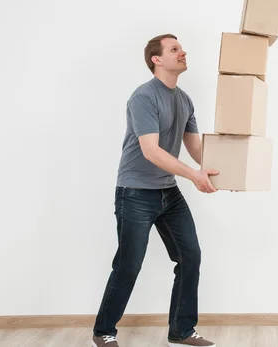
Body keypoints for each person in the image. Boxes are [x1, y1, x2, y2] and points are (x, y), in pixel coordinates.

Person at [91, 34, 219, 347]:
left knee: (190, 257)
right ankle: (103, 330)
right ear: (157, 60)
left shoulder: (184, 99)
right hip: (135, 192)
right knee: (129, 264)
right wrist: (192, 175)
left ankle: (182, 330)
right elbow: (151, 151)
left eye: (182, 47)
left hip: (167, 192)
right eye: (175, 49)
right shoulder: (143, 97)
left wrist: (224, 170)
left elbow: (195, 147)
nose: (183, 52)